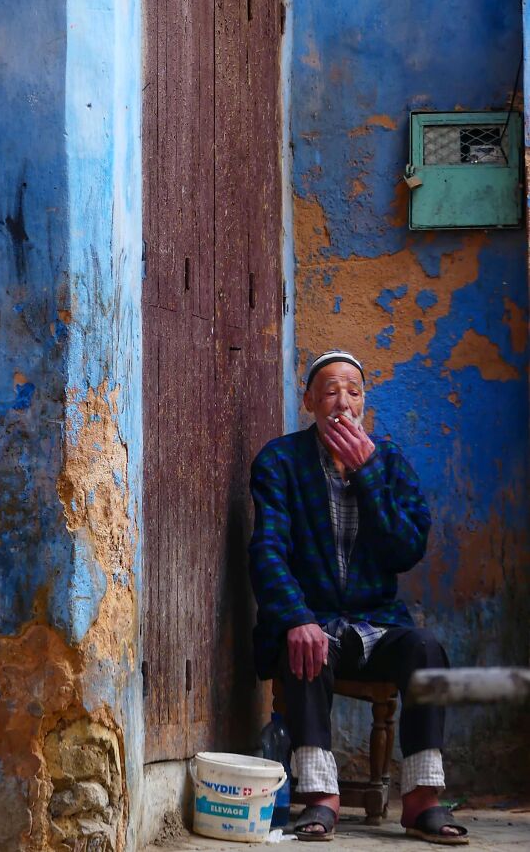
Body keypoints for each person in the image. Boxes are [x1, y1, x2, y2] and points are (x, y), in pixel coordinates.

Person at [249, 350, 468, 844]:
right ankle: (321, 799)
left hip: (376, 624)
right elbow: (267, 551)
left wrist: (366, 473)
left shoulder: (389, 463)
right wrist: (297, 617)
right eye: (329, 391)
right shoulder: (280, 461)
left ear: (364, 402)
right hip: (317, 619)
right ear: (309, 400)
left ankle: (421, 801)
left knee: (426, 649)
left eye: (353, 391)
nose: (342, 403)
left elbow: (407, 549)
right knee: (301, 643)